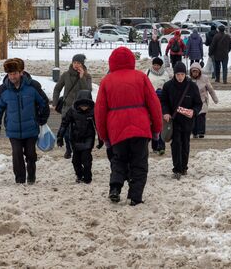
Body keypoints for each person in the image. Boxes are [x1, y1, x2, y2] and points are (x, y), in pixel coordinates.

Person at [95, 47, 163, 206]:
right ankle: (135, 196)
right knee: (139, 163)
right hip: (140, 127)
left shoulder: (107, 81)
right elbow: (155, 105)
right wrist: (156, 131)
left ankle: (115, 188)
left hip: (116, 128)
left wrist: (104, 136)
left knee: (118, 160)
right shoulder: (141, 77)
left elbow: (100, 111)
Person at [0, 59, 50, 184]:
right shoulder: (3, 89)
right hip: (13, 129)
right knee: (16, 154)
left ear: (21, 72)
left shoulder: (33, 86)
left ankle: (31, 177)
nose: (12, 77)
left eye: (15, 73)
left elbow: (44, 102)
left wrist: (42, 118)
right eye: (10, 74)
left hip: (31, 128)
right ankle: (20, 179)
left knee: (30, 154)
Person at [159, 61, 202, 180]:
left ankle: (184, 167)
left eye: (182, 74)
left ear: (185, 74)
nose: (180, 77)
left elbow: (198, 103)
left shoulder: (192, 86)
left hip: (187, 121)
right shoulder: (168, 86)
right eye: (178, 74)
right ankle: (177, 169)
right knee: (176, 144)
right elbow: (163, 101)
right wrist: (166, 112)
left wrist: (194, 111)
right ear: (174, 74)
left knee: (185, 144)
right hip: (174, 121)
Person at [53, 54, 93, 159]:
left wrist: (82, 78)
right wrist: (55, 102)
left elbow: (87, 91)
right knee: (66, 130)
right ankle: (68, 149)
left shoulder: (87, 76)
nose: (76, 65)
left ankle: (78, 149)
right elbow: (57, 88)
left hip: (81, 109)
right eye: (74, 62)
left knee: (79, 130)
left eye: (78, 63)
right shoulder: (66, 75)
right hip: (67, 107)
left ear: (82, 64)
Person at [57, 89, 100, 184]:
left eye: (86, 105)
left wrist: (101, 139)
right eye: (82, 105)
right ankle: (79, 175)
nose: (84, 107)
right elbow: (64, 123)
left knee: (86, 159)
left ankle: (88, 177)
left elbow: (98, 125)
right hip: (75, 138)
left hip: (88, 138)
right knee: (75, 161)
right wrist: (60, 137)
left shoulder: (93, 111)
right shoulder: (72, 110)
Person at [145, 57, 171, 155]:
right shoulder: (147, 72)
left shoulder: (165, 74)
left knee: (161, 124)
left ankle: (161, 146)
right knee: (150, 124)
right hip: (149, 101)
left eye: (158, 65)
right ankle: (152, 145)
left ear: (161, 66)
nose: (156, 67)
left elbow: (168, 88)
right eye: (154, 65)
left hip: (161, 102)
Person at [189, 63, 219, 139]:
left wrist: (215, 99)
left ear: (199, 72)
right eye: (193, 71)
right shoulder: (188, 79)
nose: (195, 73)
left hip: (203, 101)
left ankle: (201, 132)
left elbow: (210, 90)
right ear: (191, 72)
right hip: (192, 103)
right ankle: (194, 132)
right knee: (193, 117)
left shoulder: (204, 78)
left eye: (196, 71)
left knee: (201, 117)